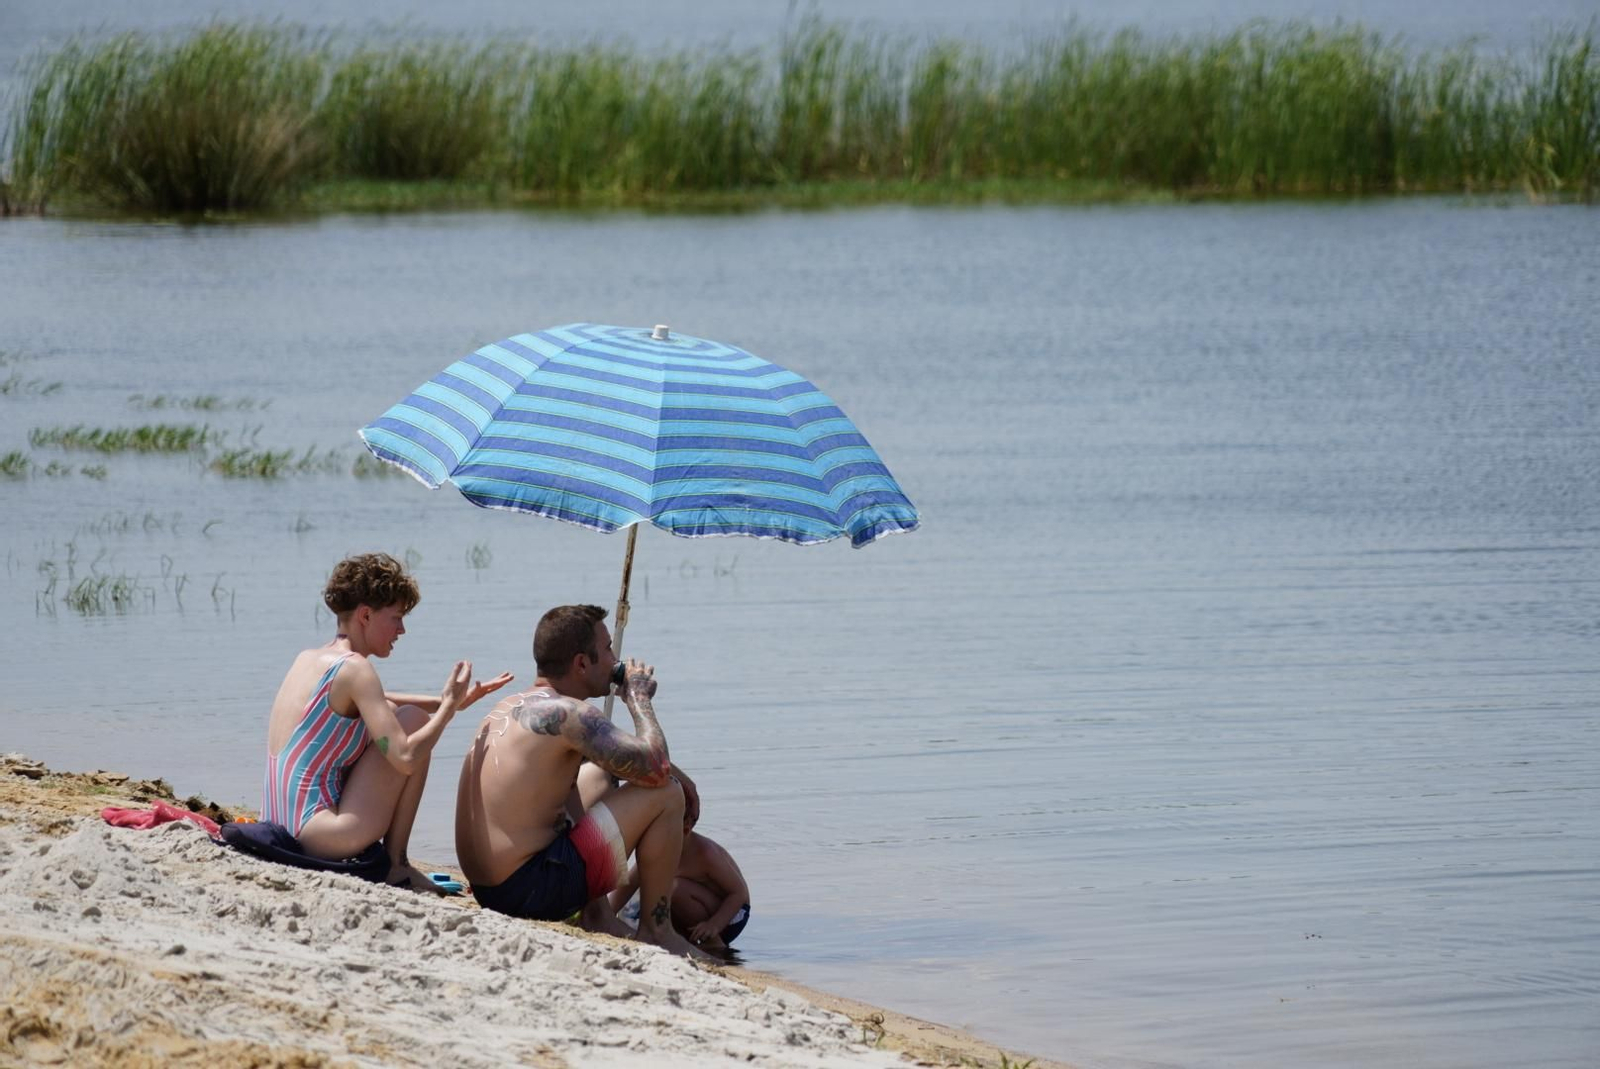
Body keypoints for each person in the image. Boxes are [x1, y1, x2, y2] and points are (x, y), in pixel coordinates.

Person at [454, 603, 703, 957]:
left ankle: (598, 913)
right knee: (666, 794)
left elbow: (620, 755)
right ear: (581, 663)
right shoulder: (570, 714)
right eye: (606, 650)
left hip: (491, 887)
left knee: (599, 773)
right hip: (530, 890)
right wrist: (638, 697)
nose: (615, 659)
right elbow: (657, 767)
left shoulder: (517, 704)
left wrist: (681, 773)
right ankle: (657, 930)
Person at [262, 553, 511, 890]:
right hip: (321, 834)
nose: (402, 629)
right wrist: (447, 709)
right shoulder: (356, 669)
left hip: (279, 824)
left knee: (399, 714)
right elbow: (405, 757)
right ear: (366, 615)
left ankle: (397, 864)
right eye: (396, 618)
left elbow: (378, 700)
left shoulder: (310, 659)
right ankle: (396, 864)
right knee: (412, 724)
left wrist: (449, 701)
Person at [609, 810, 751, 953]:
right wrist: (608, 913)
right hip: (692, 911)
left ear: (685, 829)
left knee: (674, 888)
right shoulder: (655, 847)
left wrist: (714, 925)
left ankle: (713, 944)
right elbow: (629, 885)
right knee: (642, 898)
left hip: (730, 916)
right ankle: (678, 937)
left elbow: (739, 893)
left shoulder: (706, 854)